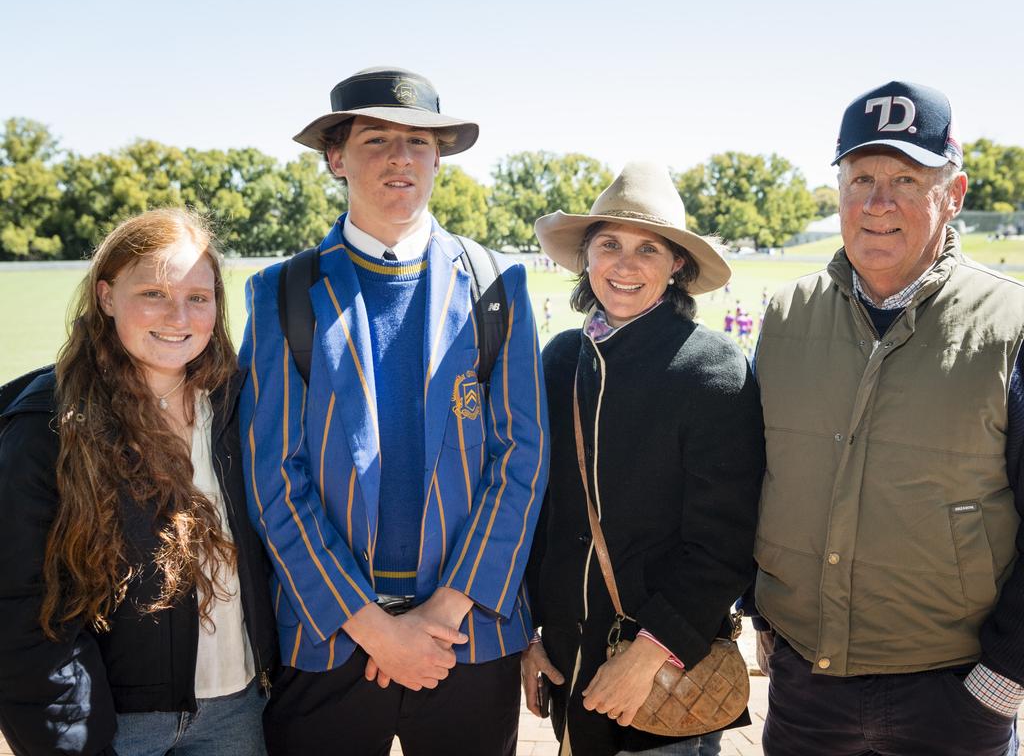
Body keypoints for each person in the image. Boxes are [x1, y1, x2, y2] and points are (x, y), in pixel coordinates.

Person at [240, 67, 549, 755]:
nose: (399, 158)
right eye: (375, 139)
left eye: (417, 140)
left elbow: (521, 461)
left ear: (439, 156)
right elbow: (274, 478)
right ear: (335, 158)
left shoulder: (499, 286)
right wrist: (373, 626)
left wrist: (443, 610)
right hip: (330, 638)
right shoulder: (280, 293)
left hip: (467, 636)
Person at [754, 81, 1024, 755]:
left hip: (954, 691)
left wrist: (1006, 675)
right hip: (806, 685)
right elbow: (755, 477)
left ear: (953, 195)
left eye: (906, 178)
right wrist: (760, 611)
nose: (877, 203)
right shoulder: (787, 316)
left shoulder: (1012, 324)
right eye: (861, 177)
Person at [0, 209, 277, 756]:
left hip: (241, 711)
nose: (179, 315)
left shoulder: (244, 405)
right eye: (153, 292)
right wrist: (75, 741)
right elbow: (23, 609)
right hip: (115, 724)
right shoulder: (46, 427)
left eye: (199, 297)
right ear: (105, 296)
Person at [523, 162, 765, 756]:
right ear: (587, 257)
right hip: (566, 668)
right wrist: (528, 636)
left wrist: (648, 657)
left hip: (663, 680)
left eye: (648, 249)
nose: (625, 265)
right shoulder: (558, 361)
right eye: (609, 244)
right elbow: (536, 516)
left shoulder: (712, 369)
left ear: (676, 264)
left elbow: (724, 545)